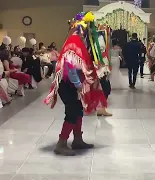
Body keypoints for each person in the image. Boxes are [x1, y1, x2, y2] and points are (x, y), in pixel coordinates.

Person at [44, 12, 107, 156]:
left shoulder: (75, 41)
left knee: (78, 111)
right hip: (69, 84)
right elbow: (70, 68)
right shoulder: (74, 42)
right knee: (72, 112)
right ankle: (61, 143)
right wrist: (79, 85)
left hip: (71, 83)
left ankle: (77, 140)